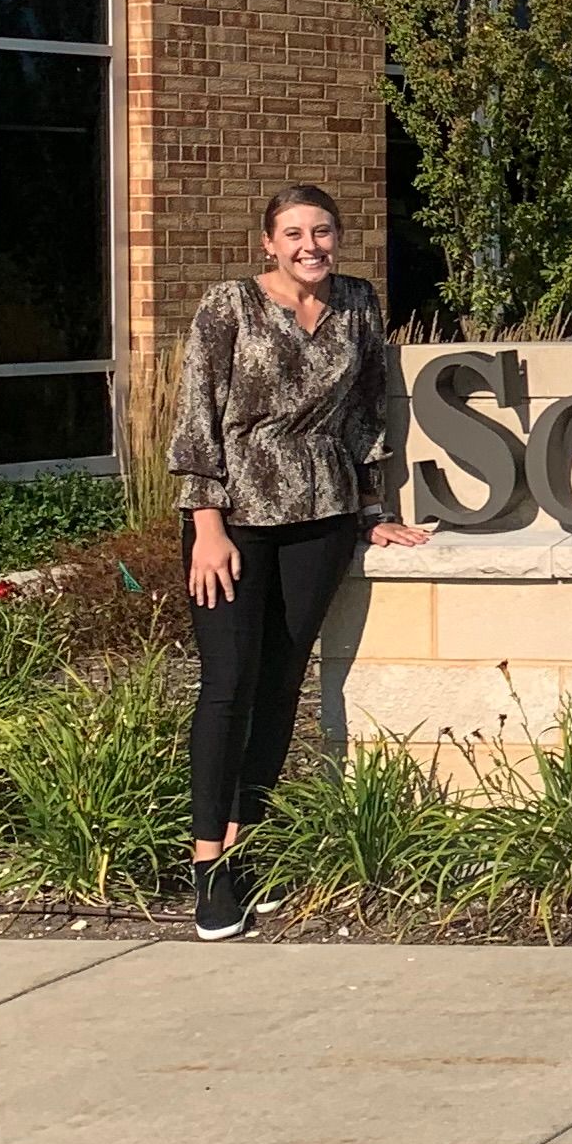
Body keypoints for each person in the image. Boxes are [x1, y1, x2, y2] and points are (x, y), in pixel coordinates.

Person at [167, 184, 428, 939]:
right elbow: (196, 416)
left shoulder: (357, 303)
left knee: (283, 684)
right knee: (228, 685)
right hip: (235, 521)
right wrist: (206, 525)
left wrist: (372, 512)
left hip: (323, 515)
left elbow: (367, 413)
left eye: (322, 232)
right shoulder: (229, 306)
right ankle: (207, 867)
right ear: (268, 244)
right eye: (294, 234)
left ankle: (246, 849)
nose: (310, 246)